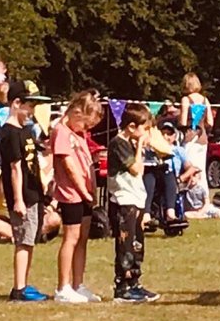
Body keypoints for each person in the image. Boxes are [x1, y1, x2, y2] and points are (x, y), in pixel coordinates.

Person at [0, 78, 51, 302]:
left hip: (34, 193)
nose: (31, 111)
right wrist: (18, 199)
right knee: (23, 241)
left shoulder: (26, 131)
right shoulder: (9, 133)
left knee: (30, 240)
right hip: (23, 196)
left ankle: (25, 283)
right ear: (17, 103)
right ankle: (18, 288)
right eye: (29, 106)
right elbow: (15, 168)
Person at [106, 102, 161, 305]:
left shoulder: (130, 143)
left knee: (137, 244)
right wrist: (139, 147)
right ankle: (122, 287)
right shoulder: (119, 143)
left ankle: (135, 282)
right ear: (131, 127)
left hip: (135, 198)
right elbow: (136, 169)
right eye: (144, 128)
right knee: (125, 245)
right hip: (123, 200)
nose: (147, 133)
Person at [51, 90, 103, 303]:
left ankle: (78, 284)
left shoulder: (78, 135)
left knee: (82, 239)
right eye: (86, 124)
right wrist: (83, 191)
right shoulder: (61, 132)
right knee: (70, 238)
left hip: (86, 193)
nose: (86, 130)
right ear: (77, 113)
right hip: (71, 193)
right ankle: (63, 287)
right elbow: (69, 166)